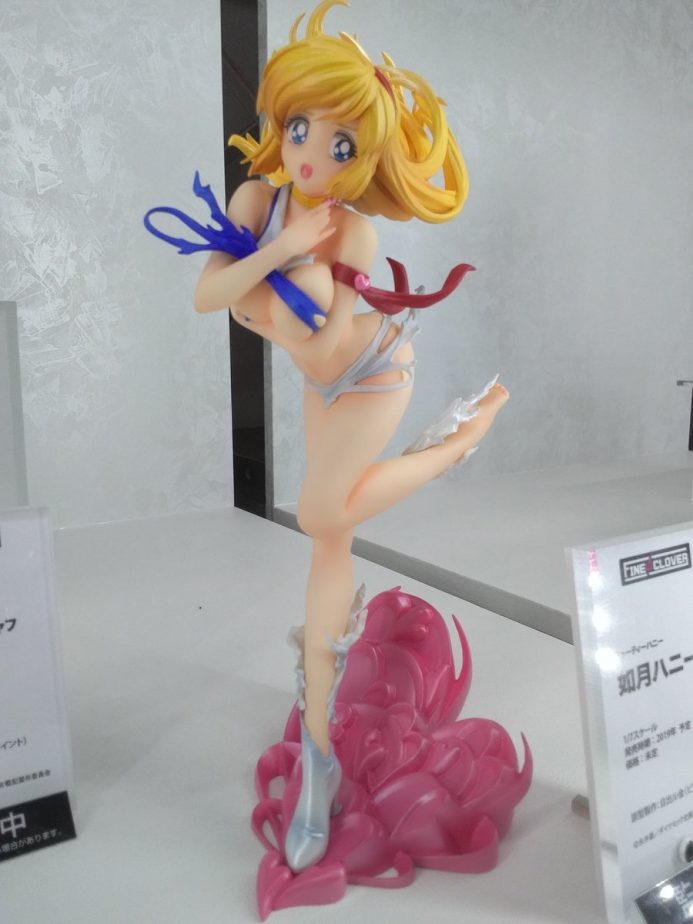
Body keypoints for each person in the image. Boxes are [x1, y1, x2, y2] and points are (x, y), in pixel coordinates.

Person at [193, 0, 509, 873]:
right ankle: (321, 746)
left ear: (363, 158)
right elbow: (208, 297)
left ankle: (451, 445)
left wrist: (274, 281)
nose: (311, 154)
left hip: (371, 373)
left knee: (316, 514)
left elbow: (319, 339)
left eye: (340, 145)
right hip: (320, 383)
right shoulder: (257, 199)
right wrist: (279, 250)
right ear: (279, 122)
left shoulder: (356, 231)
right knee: (329, 536)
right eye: (300, 128)